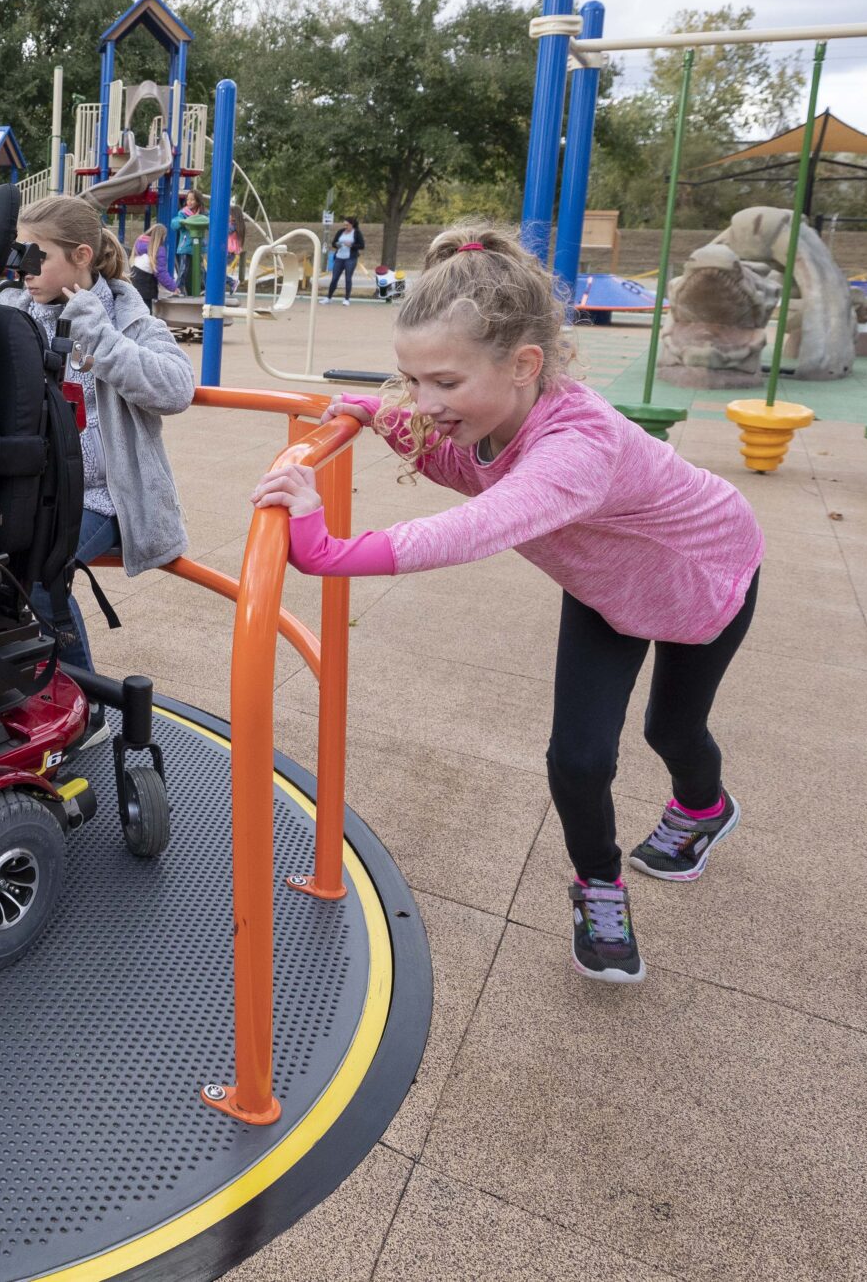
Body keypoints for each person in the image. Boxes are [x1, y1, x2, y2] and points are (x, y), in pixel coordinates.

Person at [252, 226, 762, 986]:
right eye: (410, 378)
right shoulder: (491, 417)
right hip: (607, 590)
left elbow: (478, 522)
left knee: (671, 727)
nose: (423, 401)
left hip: (705, 580)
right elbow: (454, 461)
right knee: (577, 756)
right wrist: (366, 412)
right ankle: (599, 885)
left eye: (445, 384)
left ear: (525, 366)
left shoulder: (577, 447)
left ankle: (704, 806)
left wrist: (329, 552)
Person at [0, 196, 194, 717]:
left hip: (104, 497)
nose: (24, 270)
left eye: (36, 257)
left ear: (82, 255)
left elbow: (176, 389)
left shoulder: (127, 316)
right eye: (20, 254)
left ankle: (84, 707)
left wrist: (99, 337)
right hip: (31, 491)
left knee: (33, 573)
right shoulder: (16, 310)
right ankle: (26, 691)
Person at [129, 220, 170, 305]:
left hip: (134, 284)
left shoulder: (139, 245)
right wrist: (173, 288)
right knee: (147, 313)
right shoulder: (158, 250)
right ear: (162, 236)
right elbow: (161, 273)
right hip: (146, 288)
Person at [327, 218, 361, 302]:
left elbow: (361, 245)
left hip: (350, 258)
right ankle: (328, 298)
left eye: (347, 225)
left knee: (348, 278)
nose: (345, 226)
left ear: (352, 225)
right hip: (339, 257)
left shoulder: (356, 233)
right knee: (334, 278)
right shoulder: (340, 232)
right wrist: (337, 245)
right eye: (344, 225)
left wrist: (351, 245)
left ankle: (346, 299)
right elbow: (333, 243)